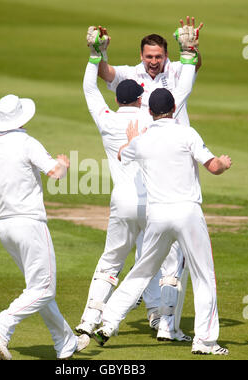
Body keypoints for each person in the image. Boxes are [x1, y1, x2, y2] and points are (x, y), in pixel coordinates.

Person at [75, 27, 196, 341]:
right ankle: (166, 326)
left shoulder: (105, 118)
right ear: (142, 99)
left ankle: (89, 321)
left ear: (117, 98)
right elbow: (183, 92)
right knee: (168, 265)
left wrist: (94, 53)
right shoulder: (156, 123)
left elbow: (89, 89)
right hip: (157, 203)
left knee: (110, 263)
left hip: (122, 203)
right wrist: (188, 52)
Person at [93, 88, 231, 355]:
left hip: (157, 215)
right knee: (204, 276)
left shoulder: (142, 140)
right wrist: (224, 163)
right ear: (174, 107)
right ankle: (204, 341)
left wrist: (131, 140)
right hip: (187, 212)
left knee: (142, 271)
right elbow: (213, 167)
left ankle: (107, 323)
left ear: (150, 112)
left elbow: (122, 155)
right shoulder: (186, 133)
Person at [0, 94, 90, 360]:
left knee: (36, 287)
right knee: (43, 289)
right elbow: (55, 173)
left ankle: (65, 343)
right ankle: (1, 325)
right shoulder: (27, 142)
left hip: (4, 227)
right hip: (29, 223)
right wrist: (63, 163)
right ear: (21, 117)